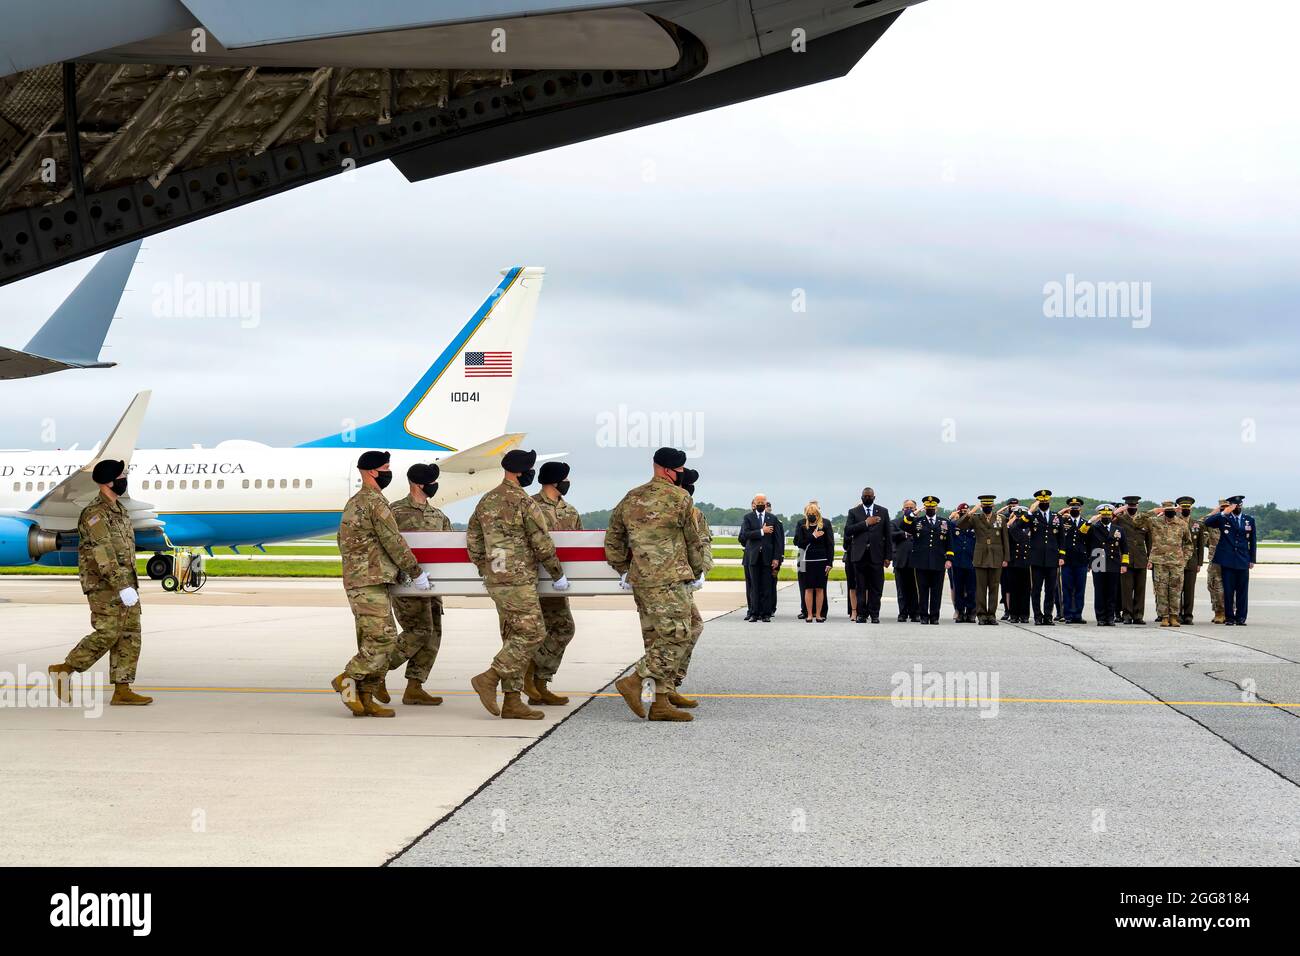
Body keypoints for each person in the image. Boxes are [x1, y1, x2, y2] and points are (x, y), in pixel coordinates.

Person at [466, 449, 570, 719]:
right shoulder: (524, 502)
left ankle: (512, 701)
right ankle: (488, 678)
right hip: (518, 579)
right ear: (523, 472)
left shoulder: (487, 500)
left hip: (496, 580)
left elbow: (474, 540)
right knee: (533, 633)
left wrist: (484, 567)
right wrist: (557, 574)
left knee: (512, 637)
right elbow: (541, 543)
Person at [606, 447, 707, 722]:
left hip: (641, 580)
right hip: (670, 580)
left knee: (656, 639)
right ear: (666, 470)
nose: (681, 475)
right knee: (678, 634)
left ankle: (660, 702)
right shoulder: (680, 497)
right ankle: (634, 680)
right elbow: (692, 540)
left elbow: (613, 539)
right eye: (680, 471)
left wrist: (623, 569)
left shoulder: (631, 497)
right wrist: (697, 571)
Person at [331, 450, 431, 718]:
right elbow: (393, 540)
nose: (389, 472)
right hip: (368, 581)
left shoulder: (356, 502)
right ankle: (347, 678)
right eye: (386, 467)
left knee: (370, 640)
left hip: (367, 578)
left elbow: (343, 541)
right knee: (384, 639)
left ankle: (365, 699)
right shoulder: (374, 502)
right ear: (372, 471)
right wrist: (415, 571)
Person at [48, 459, 152, 707]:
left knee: (129, 634)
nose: (124, 479)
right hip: (105, 585)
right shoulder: (95, 514)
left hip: (126, 583)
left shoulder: (119, 510)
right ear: (109, 481)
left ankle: (122, 689)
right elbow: (102, 553)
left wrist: (129, 585)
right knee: (108, 633)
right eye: (122, 475)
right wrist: (122, 586)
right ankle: (65, 668)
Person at [387, 463, 451, 706]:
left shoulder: (439, 516)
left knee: (433, 635)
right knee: (417, 633)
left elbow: (447, 552)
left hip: (432, 588)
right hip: (406, 587)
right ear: (418, 484)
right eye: (432, 481)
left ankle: (414, 687)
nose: (435, 485)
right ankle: (374, 673)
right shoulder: (394, 513)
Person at [524, 460, 582, 706]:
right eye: (566, 478)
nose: (569, 483)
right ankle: (530, 676)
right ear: (556, 480)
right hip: (535, 580)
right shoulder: (531, 506)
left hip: (559, 584)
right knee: (535, 633)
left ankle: (539, 680)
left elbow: (578, 545)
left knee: (563, 628)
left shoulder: (570, 511)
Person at [671, 467, 712, 707]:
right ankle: (657, 683)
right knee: (679, 630)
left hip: (685, 579)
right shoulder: (671, 508)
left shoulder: (694, 512)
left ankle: (670, 684)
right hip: (667, 580)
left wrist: (701, 570)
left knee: (692, 626)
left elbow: (704, 542)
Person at [1204, 495, 1256, 626]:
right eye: (1234, 506)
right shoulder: (1224, 518)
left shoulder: (1249, 520)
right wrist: (1222, 512)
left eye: (1239, 506)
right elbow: (1207, 522)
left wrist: (1252, 559)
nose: (1237, 508)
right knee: (1228, 591)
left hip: (1243, 560)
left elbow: (1252, 541)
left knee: (1242, 591)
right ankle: (1229, 617)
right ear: (1230, 507)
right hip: (1227, 560)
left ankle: (1241, 617)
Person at [843, 487, 893, 623]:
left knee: (876, 587)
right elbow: (848, 530)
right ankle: (861, 614)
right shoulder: (854, 512)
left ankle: (874, 614)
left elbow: (887, 535)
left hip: (876, 555)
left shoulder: (883, 511)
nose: (867, 498)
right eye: (865, 496)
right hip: (859, 556)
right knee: (860, 587)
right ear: (861, 497)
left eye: (869, 496)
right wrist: (866, 523)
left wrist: (888, 556)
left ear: (874, 497)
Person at [900, 496, 952, 625]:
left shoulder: (944, 522)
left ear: (936, 508)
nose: (930, 509)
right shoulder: (918, 521)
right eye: (928, 508)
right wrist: (914, 513)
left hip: (938, 561)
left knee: (936, 591)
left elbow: (949, 543)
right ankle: (923, 615)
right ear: (924, 508)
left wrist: (949, 559)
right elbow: (904, 525)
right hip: (921, 562)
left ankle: (934, 616)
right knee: (922, 591)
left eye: (932, 508)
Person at [958, 495, 1009, 625]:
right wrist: (971, 512)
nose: (987, 508)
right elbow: (960, 525)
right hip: (980, 557)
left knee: (994, 587)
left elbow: (1005, 540)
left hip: (996, 557)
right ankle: (981, 615)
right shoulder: (975, 518)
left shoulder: (1000, 518)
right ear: (981, 506)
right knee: (980, 588)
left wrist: (1006, 558)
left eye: (989, 506)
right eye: (984, 506)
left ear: (992, 506)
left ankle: (991, 614)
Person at [1081, 504, 1129, 625]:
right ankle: (1101, 618)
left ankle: (1110, 617)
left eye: (1108, 515)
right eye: (1103, 515)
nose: (1106, 517)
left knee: (1112, 592)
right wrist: (1090, 521)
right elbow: (1081, 533)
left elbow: (1124, 548)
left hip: (1113, 562)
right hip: (1098, 561)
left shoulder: (1118, 529)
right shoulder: (1094, 528)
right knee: (1100, 592)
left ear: (1111, 516)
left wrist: (1124, 564)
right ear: (1100, 515)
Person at [1149, 500, 1193, 627]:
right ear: (1163, 510)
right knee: (1161, 591)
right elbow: (1137, 521)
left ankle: (1174, 616)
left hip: (1176, 563)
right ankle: (1164, 616)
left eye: (1171, 510)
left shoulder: (1181, 524)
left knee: (1175, 590)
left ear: (1175, 510)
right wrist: (1154, 511)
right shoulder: (1155, 522)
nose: (1169, 512)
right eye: (1166, 510)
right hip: (1160, 562)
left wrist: (1184, 560)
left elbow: (1188, 544)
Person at [738, 494, 780, 622]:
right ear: (754, 503)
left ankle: (766, 614)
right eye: (758, 502)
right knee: (754, 586)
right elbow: (745, 534)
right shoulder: (748, 518)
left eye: (763, 501)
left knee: (767, 586)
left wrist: (776, 558)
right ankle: (754, 613)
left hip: (767, 557)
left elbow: (777, 541)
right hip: (753, 557)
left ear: (766, 503)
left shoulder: (772, 518)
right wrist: (762, 531)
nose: (761, 504)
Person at [1025, 490, 1065, 626]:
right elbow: (1018, 527)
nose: (1044, 504)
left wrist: (1062, 556)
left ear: (1049, 501)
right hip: (1036, 559)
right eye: (1041, 502)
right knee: (1036, 589)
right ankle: (1037, 615)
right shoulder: (1033, 516)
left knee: (1050, 589)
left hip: (1052, 559)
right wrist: (1030, 511)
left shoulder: (1056, 517)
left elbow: (1062, 538)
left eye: (1046, 502)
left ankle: (1048, 615)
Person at [794, 501, 835, 622]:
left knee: (820, 588)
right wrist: (813, 536)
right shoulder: (801, 524)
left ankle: (819, 614)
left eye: (814, 513)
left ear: (818, 513)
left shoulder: (825, 524)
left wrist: (830, 562)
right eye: (809, 513)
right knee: (807, 588)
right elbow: (799, 543)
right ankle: (808, 614)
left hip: (822, 560)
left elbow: (830, 545)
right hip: (806, 560)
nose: (812, 515)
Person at [1115, 495, 1153, 624]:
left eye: (1134, 506)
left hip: (1141, 559)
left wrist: (1150, 559)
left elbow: (1149, 541)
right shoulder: (1120, 519)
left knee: (1140, 589)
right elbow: (1106, 522)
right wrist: (1117, 511)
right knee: (1126, 589)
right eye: (1129, 506)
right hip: (1125, 560)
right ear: (1126, 506)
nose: (1132, 508)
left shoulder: (1144, 520)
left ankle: (1138, 616)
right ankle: (1127, 615)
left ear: (1137, 506)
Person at [1057, 497, 1090, 624]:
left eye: (1076, 507)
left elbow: (1088, 543)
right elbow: (1054, 519)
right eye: (1072, 507)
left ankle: (1078, 615)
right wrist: (1063, 512)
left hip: (1081, 561)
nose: (1074, 509)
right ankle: (1068, 615)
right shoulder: (1063, 521)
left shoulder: (1085, 523)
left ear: (1080, 509)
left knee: (1080, 589)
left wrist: (1089, 561)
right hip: (1067, 561)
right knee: (1067, 589)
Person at [890, 500, 920, 622]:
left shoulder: (920, 522)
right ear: (902, 510)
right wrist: (905, 534)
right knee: (901, 589)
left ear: (916, 509)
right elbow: (892, 535)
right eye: (906, 507)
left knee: (915, 589)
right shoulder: (895, 522)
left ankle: (915, 613)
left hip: (917, 560)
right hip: (901, 560)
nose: (909, 509)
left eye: (911, 508)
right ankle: (902, 612)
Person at [947, 503, 977, 623]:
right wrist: (950, 517)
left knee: (971, 588)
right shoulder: (953, 525)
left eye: (966, 511)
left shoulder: (974, 524)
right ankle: (960, 611)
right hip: (957, 560)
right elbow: (945, 527)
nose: (964, 513)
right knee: (958, 588)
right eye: (961, 511)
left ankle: (971, 612)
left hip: (971, 560)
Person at [1177, 496, 1204, 625]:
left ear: (1191, 509)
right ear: (1179, 508)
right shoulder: (1175, 522)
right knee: (1177, 590)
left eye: (1188, 508)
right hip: (1176, 560)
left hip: (1192, 561)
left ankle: (1188, 615)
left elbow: (1200, 545)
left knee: (1189, 590)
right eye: (1183, 507)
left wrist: (1199, 563)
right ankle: (1177, 614)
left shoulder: (1197, 524)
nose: (1185, 509)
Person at [1003, 503, 1033, 623]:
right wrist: (1012, 521)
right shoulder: (1011, 527)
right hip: (1014, 562)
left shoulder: (1029, 526)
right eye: (1017, 514)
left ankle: (1024, 614)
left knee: (1026, 590)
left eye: (1021, 514)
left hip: (1026, 562)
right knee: (1014, 589)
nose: (1019, 517)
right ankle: (1014, 614)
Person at [1204, 498, 1228, 623]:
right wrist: (1215, 512)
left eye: (1226, 507)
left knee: (1229, 587)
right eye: (1222, 507)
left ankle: (1228, 612)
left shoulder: (1232, 521)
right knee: (1213, 586)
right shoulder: (1213, 522)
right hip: (1214, 559)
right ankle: (1218, 612)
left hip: (1229, 559)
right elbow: (1200, 523)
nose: (1224, 510)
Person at [764, 501, 785, 618]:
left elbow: (779, 542)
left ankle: (772, 607)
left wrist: (779, 558)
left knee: (772, 583)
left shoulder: (776, 521)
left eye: (768, 509)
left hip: (774, 559)